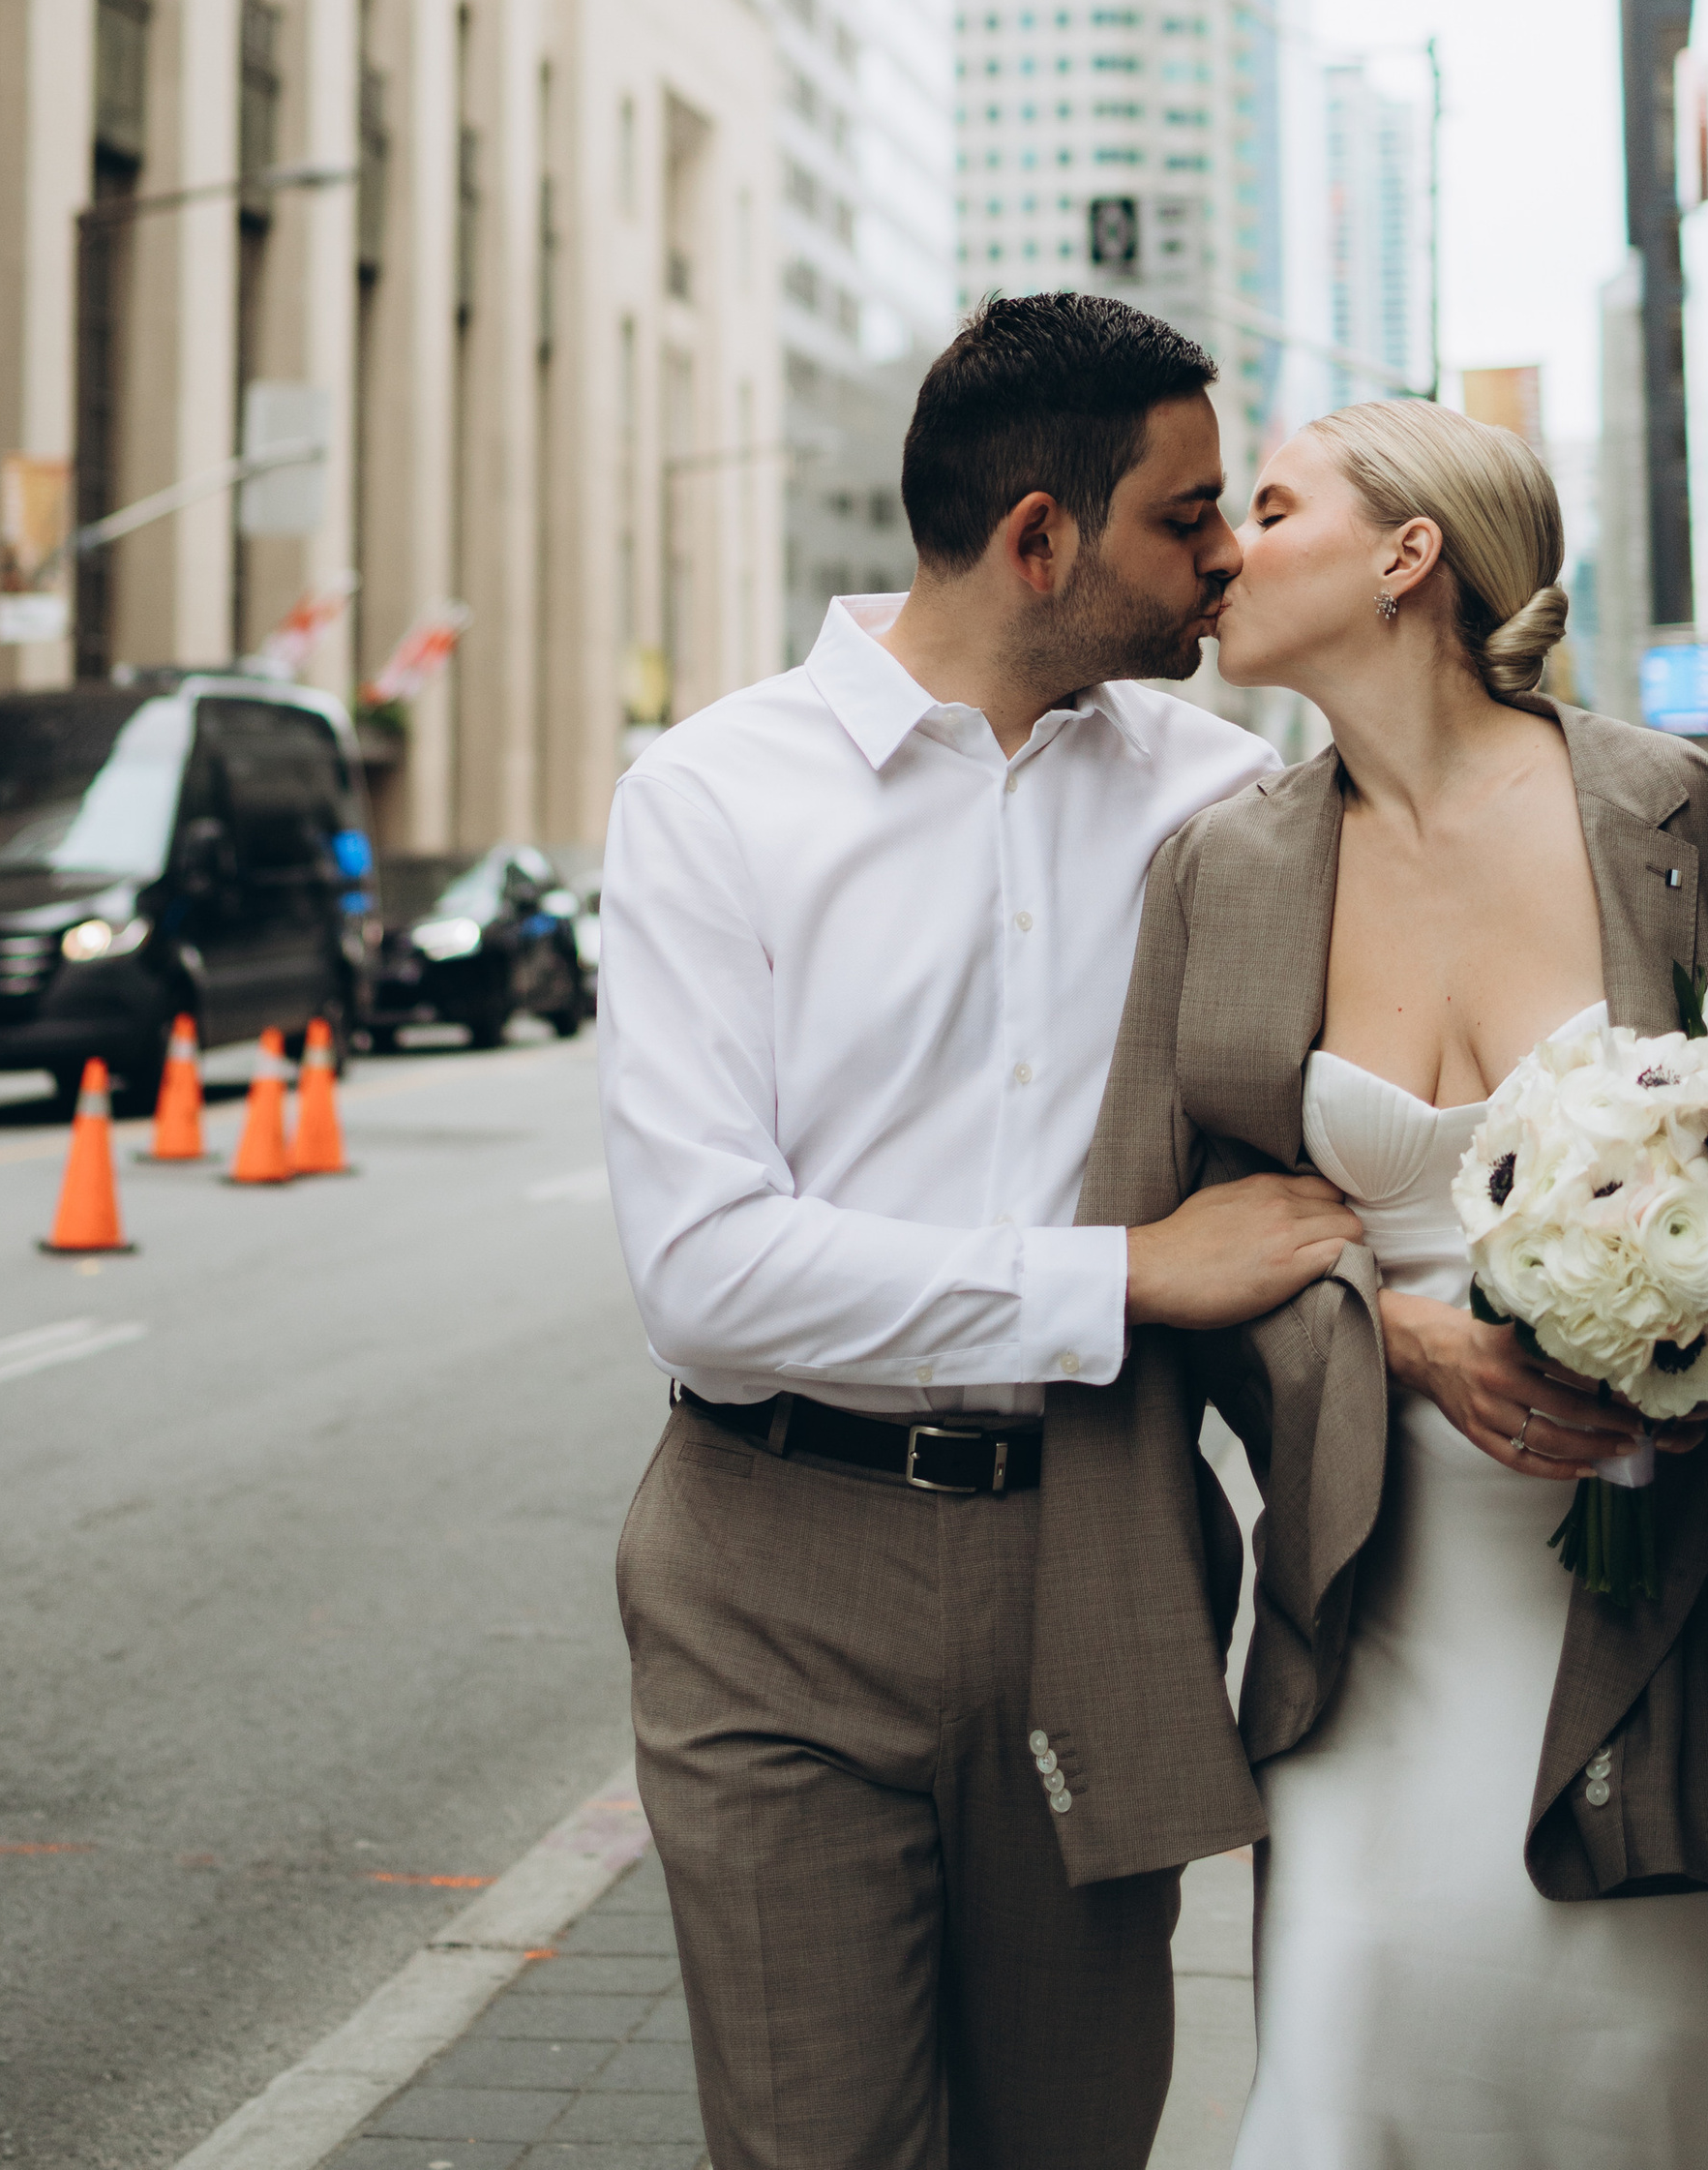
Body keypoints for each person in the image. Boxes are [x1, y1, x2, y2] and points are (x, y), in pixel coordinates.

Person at [598, 292, 1362, 2170]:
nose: (1224, 559)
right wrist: (1118, 1276)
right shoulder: (708, 799)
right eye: (1184, 518)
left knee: (1070, 2142)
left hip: (1104, 1555)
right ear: (1037, 539)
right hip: (772, 1574)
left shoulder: (1227, 804)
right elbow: (702, 1268)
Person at [1118, 399, 1708, 2170]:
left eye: (1270, 505)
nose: (1227, 547)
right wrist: (1383, 1332)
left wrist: (1696, 1363)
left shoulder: (1683, 822)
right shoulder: (1222, 872)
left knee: (1663, 2103)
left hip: (1664, 1604)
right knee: (1346, 2095)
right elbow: (1165, 1243)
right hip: (1368, 1601)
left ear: (1410, 558)